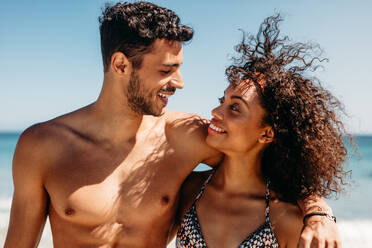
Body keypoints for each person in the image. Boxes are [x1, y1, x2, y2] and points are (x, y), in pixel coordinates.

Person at [4, 2, 339, 248]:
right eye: (166, 70)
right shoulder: (43, 145)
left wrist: (318, 212)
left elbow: (273, 163)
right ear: (121, 65)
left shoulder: (187, 136)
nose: (179, 83)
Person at [174, 14, 349, 248]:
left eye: (235, 107)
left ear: (267, 134)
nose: (216, 111)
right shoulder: (189, 190)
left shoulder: (286, 218)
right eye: (221, 100)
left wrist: (319, 212)